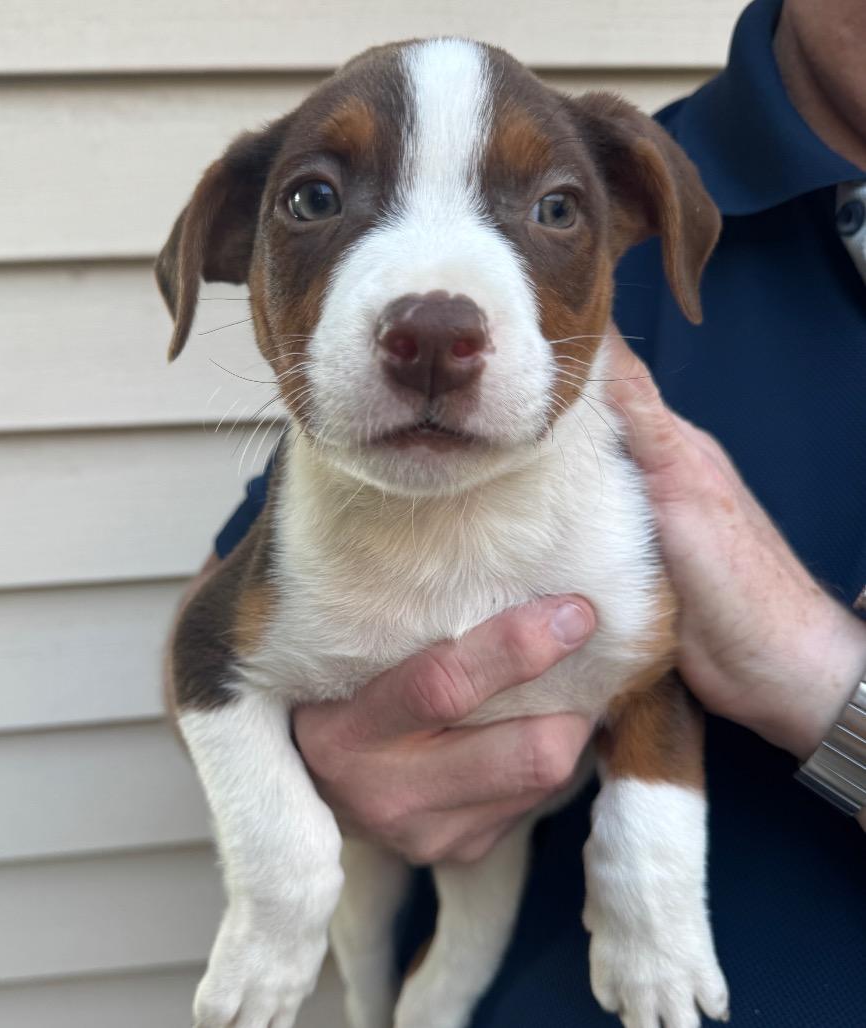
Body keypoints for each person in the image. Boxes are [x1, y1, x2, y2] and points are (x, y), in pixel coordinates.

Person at [186, 0, 866, 1022]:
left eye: (548, 212)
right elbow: (225, 637)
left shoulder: (607, 184)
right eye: (319, 197)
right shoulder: (626, 170)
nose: (430, 313)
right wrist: (311, 777)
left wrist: (819, 674)